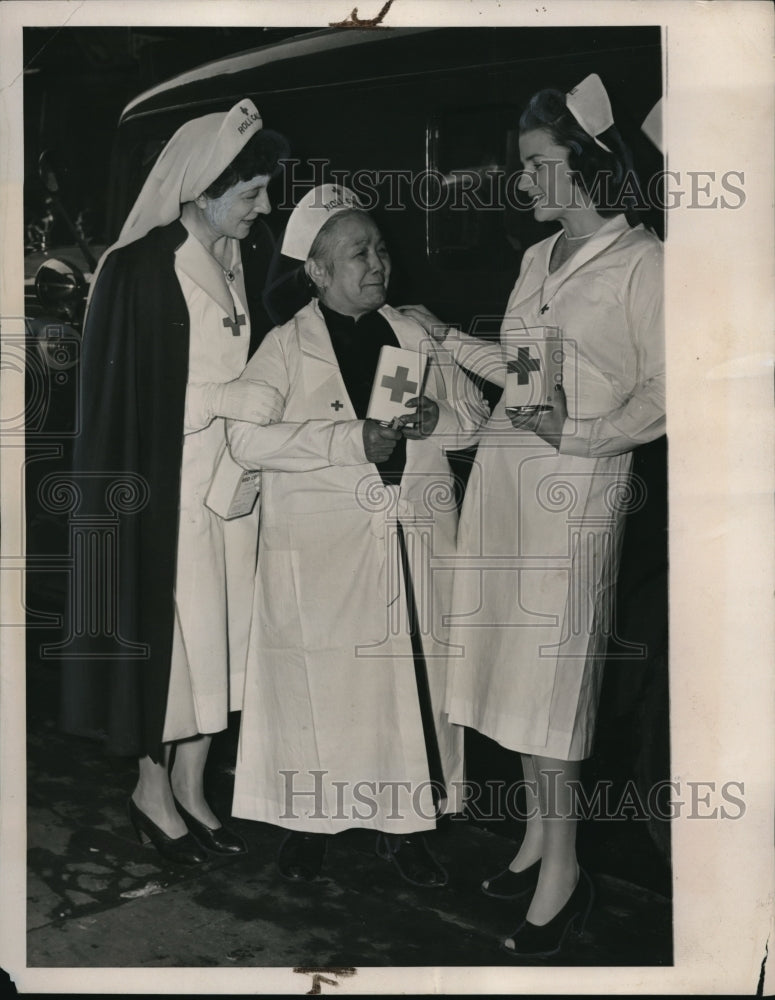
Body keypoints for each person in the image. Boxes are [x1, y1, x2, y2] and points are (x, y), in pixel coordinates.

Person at [401, 74, 664, 953]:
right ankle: (535, 841)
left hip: (576, 495)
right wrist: (440, 336)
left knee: (554, 687)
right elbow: (522, 380)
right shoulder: (534, 259)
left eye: (537, 165)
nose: (523, 183)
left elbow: (671, 390)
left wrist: (584, 434)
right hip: (509, 486)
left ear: (588, 164)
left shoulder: (646, 264)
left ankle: (567, 871)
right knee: (514, 670)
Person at [226, 184, 490, 886]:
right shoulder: (287, 346)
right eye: (357, 254)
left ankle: (405, 829)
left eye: (380, 250)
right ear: (316, 271)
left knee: (408, 686)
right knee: (325, 692)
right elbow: (246, 438)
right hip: (324, 550)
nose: (378, 264)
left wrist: (440, 421)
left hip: (413, 534)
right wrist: (348, 441)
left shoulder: (413, 334)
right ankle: (307, 826)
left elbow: (478, 419)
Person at [60, 100, 289, 865]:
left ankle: (194, 787)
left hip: (230, 492)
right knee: (172, 650)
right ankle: (149, 790)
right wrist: (223, 401)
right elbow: (126, 399)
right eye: (250, 192)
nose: (263, 208)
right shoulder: (140, 267)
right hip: (168, 497)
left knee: (223, 642)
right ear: (199, 189)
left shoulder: (235, 257)